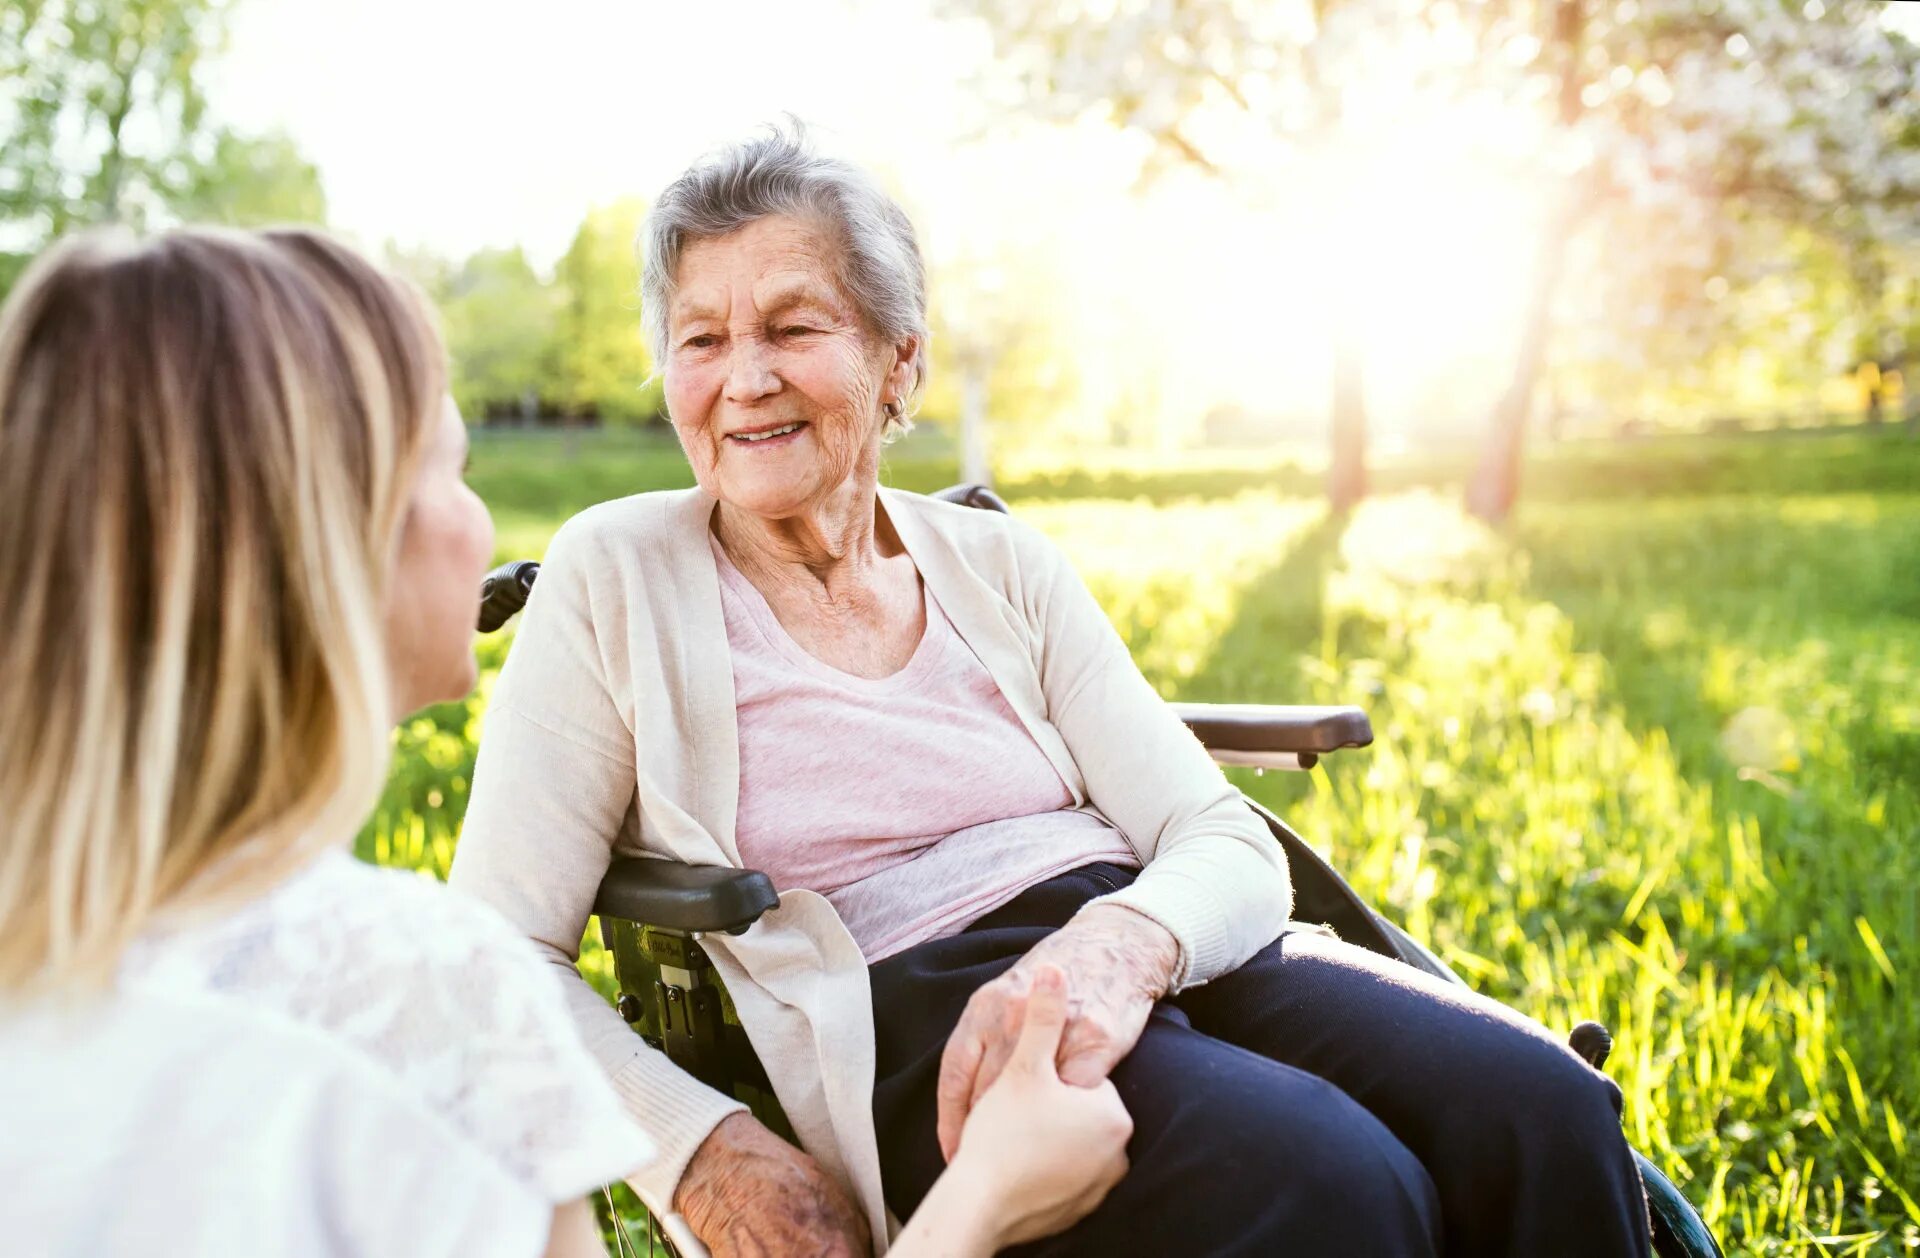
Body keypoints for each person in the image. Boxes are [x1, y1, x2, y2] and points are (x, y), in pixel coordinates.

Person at [451, 123, 1656, 1257]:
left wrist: (1119, 947)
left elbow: (1219, 836)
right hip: (920, 1010)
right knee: (1332, 1181)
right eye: (702, 339)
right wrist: (698, 1153)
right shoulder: (616, 571)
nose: (744, 378)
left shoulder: (1001, 562)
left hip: (1147, 934)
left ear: (897, 360)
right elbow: (497, 952)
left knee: (1542, 1107)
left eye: (791, 326)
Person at [0, 226, 1128, 1258]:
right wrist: (987, 1201)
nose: (484, 526)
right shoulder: (426, 997)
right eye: (452, 466)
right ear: (332, 546)